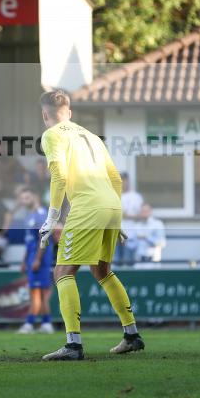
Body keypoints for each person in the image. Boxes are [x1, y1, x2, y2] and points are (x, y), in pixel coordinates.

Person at [36, 89, 144, 361]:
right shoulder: (92, 137)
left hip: (88, 207)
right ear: (69, 112)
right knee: (102, 271)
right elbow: (116, 179)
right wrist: (115, 217)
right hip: (111, 205)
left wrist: (51, 217)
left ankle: (73, 344)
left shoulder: (51, 135)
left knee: (62, 271)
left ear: (45, 115)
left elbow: (59, 177)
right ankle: (131, 335)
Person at [17, 189, 55, 334]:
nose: (23, 201)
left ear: (35, 197)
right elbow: (30, 241)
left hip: (40, 258)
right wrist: (24, 260)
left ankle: (31, 323)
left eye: (26, 197)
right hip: (32, 256)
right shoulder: (29, 216)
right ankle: (44, 323)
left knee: (38, 292)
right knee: (36, 291)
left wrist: (38, 259)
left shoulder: (41, 215)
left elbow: (42, 239)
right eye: (21, 198)